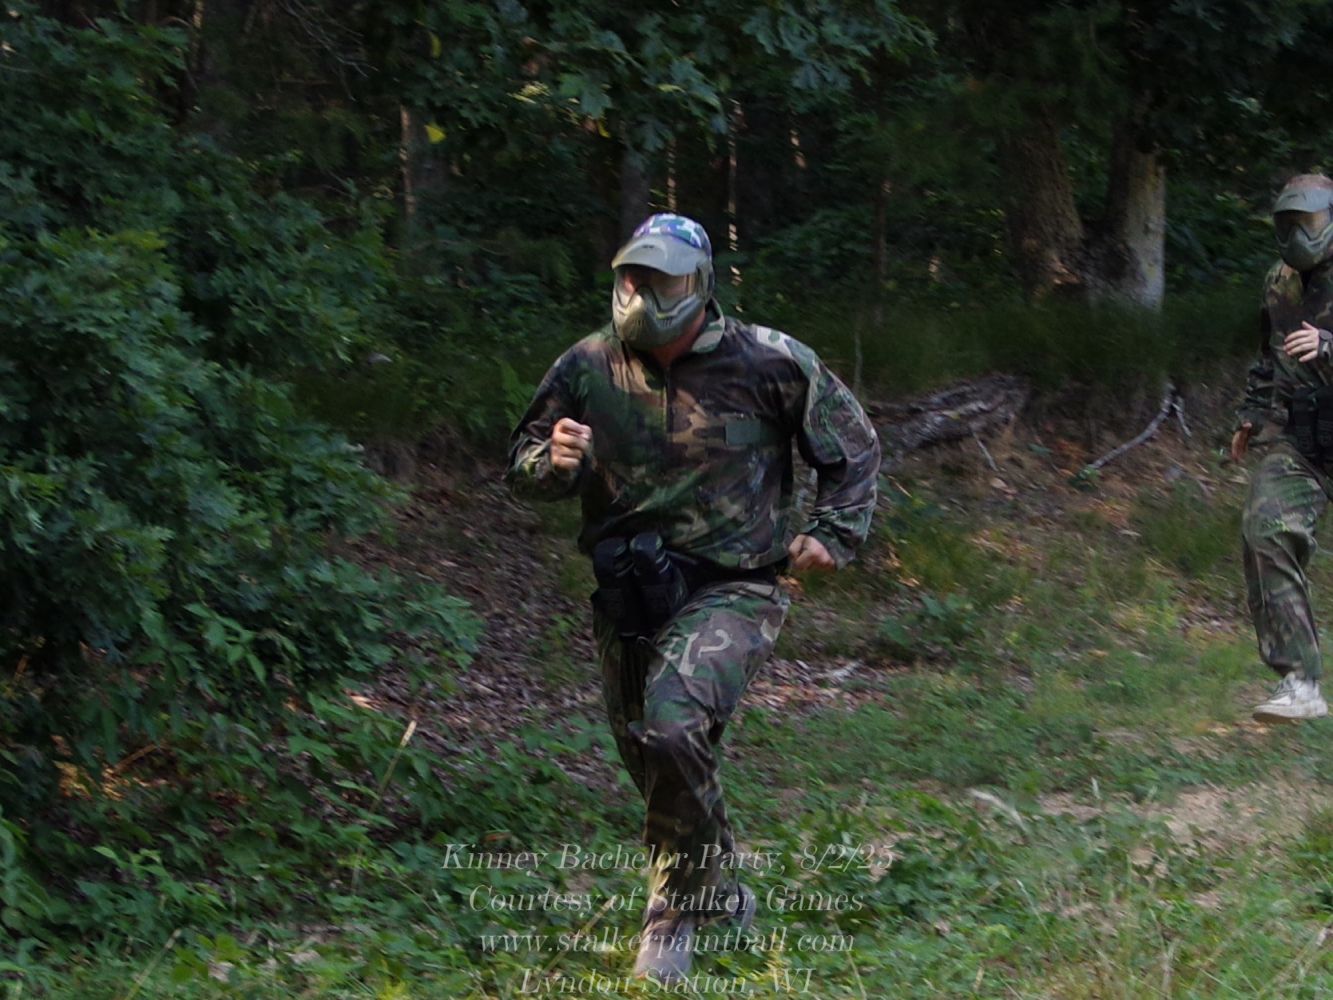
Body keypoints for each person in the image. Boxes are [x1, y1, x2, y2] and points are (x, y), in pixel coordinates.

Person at [505, 213, 881, 982]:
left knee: (673, 727)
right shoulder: (587, 364)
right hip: (629, 589)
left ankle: (669, 919)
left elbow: (853, 447)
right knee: (654, 760)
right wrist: (554, 461)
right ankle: (723, 891)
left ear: (700, 286)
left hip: (735, 586)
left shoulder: (770, 360)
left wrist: (834, 533)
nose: (642, 294)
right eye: (632, 276)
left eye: (662, 279)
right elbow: (523, 464)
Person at [1233, 173, 1333, 723]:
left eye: (1309, 221)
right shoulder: (1280, 280)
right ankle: (1300, 682)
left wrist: (1329, 343)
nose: (1298, 234)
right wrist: (1251, 415)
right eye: (1288, 223)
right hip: (1306, 441)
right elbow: (1268, 357)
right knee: (1264, 529)